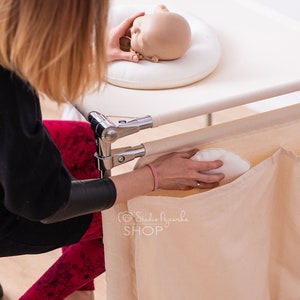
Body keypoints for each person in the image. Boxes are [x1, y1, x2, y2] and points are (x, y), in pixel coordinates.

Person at [0, 1, 224, 299]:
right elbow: (45, 203)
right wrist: (153, 178)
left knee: (87, 144)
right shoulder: (8, 85)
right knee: (125, 218)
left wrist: (87, 56)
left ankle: (78, 291)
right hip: (15, 211)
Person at [120, 4, 192, 63]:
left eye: (140, 40)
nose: (134, 30)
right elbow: (160, 9)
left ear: (150, 57)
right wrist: (160, 11)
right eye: (141, 22)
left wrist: (132, 50)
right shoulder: (157, 18)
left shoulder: (135, 52)